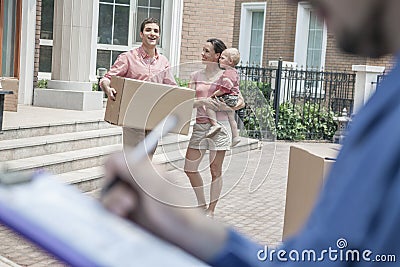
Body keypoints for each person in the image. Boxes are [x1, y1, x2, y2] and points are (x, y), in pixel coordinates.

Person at [101, 0, 400, 265]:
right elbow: (327, 255)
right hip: (158, 123)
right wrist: (189, 229)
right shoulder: (389, 94)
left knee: (207, 170)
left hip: (208, 127)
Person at [184, 39, 244, 218]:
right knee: (190, 168)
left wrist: (226, 107)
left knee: (215, 170)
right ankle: (201, 203)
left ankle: (211, 210)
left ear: (217, 56)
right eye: (202, 50)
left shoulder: (227, 75)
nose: (202, 54)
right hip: (201, 125)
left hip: (221, 126)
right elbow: (187, 102)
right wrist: (203, 101)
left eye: (206, 51)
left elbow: (240, 102)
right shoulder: (196, 76)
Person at [100, 17, 176, 151]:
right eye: (148, 30)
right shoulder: (128, 57)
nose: (152, 33)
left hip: (154, 115)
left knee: (148, 158)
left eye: (156, 31)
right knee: (133, 158)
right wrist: (107, 88)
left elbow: (172, 87)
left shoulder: (163, 61)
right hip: (132, 114)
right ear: (141, 34)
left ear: (159, 36)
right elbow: (107, 78)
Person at [205, 48, 242, 147]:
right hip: (233, 97)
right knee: (231, 117)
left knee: (209, 105)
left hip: (228, 97)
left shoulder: (227, 73)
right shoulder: (234, 72)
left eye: (222, 58)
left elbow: (225, 88)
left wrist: (213, 95)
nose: (219, 60)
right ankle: (236, 136)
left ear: (230, 61)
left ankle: (214, 125)